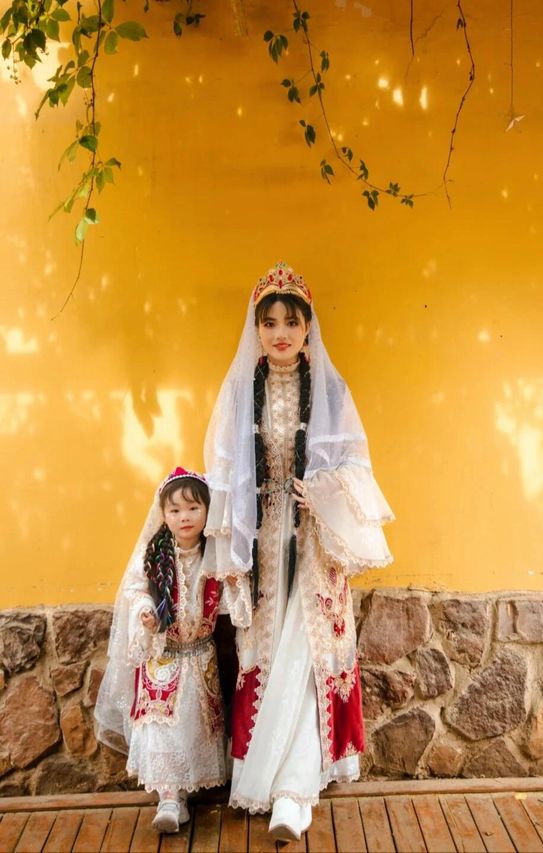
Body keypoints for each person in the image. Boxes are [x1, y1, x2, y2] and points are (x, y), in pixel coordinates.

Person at [203, 262, 394, 840]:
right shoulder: (240, 391)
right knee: (265, 648)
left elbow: (356, 464)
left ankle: (293, 789)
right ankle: (263, 775)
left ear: (308, 327)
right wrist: (234, 547)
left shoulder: (331, 391)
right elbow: (224, 471)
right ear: (256, 329)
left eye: (291, 321)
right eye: (269, 323)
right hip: (264, 541)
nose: (280, 333)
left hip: (314, 540)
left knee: (307, 653)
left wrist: (325, 491)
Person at [94, 467, 231, 833]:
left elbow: (231, 598)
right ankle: (169, 798)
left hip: (200, 655)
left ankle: (186, 792)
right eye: (175, 510)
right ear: (163, 514)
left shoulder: (216, 554)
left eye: (193, 508)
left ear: (207, 510)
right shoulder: (155, 554)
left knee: (193, 726)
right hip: (163, 656)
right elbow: (135, 588)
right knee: (161, 726)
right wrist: (145, 611)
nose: (184, 517)